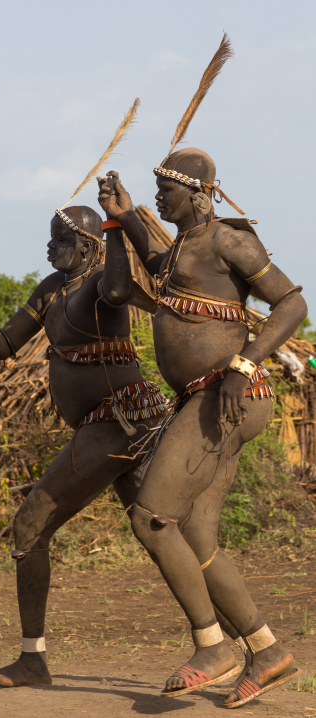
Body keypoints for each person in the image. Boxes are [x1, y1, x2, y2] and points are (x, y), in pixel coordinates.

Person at [97, 148, 306, 708]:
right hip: (205, 398)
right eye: (155, 190)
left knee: (151, 517)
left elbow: (291, 303)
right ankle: (266, 651)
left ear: (197, 192)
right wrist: (120, 216)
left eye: (166, 189)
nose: (158, 198)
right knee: (196, 537)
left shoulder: (226, 239)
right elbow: (156, 266)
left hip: (226, 396)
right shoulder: (182, 249)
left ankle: (212, 647)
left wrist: (244, 364)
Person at [0, 205, 168, 687]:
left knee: (29, 525)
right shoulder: (50, 290)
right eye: (49, 240)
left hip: (118, 420)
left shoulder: (101, 285)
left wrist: (112, 224)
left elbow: (117, 288)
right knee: (158, 531)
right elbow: (5, 344)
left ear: (87, 246)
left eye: (60, 241)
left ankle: (32, 661)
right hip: (105, 425)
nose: (50, 248)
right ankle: (247, 644)